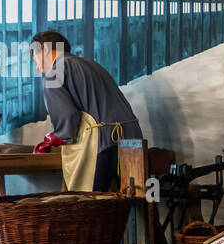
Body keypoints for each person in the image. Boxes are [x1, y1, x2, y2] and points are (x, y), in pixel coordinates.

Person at [29, 30, 142, 192]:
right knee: (136, 201)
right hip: (133, 136)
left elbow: (67, 121)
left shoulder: (54, 72)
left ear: (45, 48)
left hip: (103, 142)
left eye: (35, 57)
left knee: (91, 205)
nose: (37, 66)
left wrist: (49, 142)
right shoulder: (92, 64)